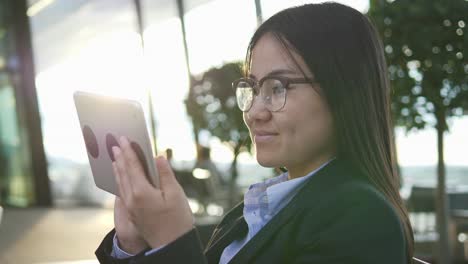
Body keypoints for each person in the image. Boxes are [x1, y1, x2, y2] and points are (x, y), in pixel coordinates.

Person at [96, 2, 414, 263]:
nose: (253, 112)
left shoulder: (363, 219)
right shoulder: (257, 208)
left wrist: (170, 242)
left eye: (278, 88)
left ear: (343, 92)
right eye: (253, 88)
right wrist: (133, 246)